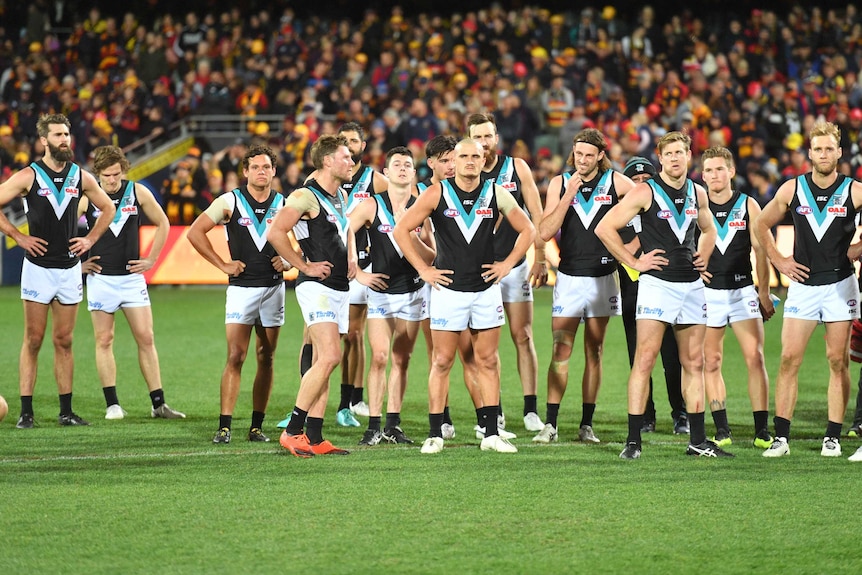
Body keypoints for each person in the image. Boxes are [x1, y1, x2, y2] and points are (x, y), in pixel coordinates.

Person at [393, 137, 536, 454]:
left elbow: (528, 230)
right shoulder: (437, 193)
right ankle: (435, 434)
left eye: (476, 155)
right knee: (442, 361)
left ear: (484, 159)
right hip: (448, 291)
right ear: (453, 161)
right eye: (464, 156)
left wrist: (507, 265)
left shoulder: (496, 192)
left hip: (486, 290)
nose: (470, 161)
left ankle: (490, 435)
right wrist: (424, 270)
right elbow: (401, 229)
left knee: (487, 361)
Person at [596, 131, 729, 459]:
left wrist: (705, 253)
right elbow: (604, 227)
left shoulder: (699, 192)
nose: (674, 158)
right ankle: (633, 441)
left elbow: (710, 229)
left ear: (688, 155)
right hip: (657, 285)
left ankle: (697, 441)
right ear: (660, 159)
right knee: (644, 360)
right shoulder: (645, 191)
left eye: (679, 152)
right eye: (668, 153)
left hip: (692, 286)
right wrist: (634, 261)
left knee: (693, 363)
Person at [752, 121, 862, 459]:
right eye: (818, 149)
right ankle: (781, 438)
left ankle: (833, 436)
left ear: (839, 152)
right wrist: (778, 259)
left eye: (830, 148)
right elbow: (760, 224)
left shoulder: (855, 189)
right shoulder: (791, 189)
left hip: (842, 284)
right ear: (809, 154)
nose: (824, 154)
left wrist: (860, 247)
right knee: (788, 359)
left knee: (837, 361)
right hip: (802, 287)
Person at [0, 113, 115, 428]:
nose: (65, 140)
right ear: (43, 141)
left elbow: (109, 208)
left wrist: (90, 238)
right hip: (38, 268)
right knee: (34, 339)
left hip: (68, 270)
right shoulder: (29, 176)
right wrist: (18, 236)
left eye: (67, 134)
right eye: (58, 135)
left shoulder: (81, 177)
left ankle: (66, 412)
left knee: (64, 340)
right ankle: (26, 412)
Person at [534, 128, 634, 445]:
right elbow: (545, 231)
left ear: (601, 156)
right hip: (569, 278)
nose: (582, 160)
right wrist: (567, 197)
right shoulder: (560, 183)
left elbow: (646, 212)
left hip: (604, 279)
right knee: (560, 349)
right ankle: (550, 424)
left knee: (595, 351)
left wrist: (631, 253)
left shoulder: (618, 183)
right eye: (578, 154)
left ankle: (586, 425)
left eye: (589, 155)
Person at [187, 143, 288, 444]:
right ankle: (225, 425)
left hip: (273, 288)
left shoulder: (286, 203)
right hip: (242, 289)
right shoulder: (229, 201)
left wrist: (291, 258)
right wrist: (222, 264)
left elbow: (307, 239)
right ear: (245, 171)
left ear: (274, 171)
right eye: (255, 167)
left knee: (266, 356)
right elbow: (195, 232)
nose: (261, 171)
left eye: (267, 167)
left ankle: (256, 427)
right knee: (236, 355)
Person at [79, 145, 185, 420]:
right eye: (106, 175)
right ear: (97, 174)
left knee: (146, 338)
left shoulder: (137, 192)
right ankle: (112, 404)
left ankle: (158, 404)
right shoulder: (88, 196)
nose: (112, 180)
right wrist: (78, 265)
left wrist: (151, 260)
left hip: (131, 280)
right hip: (101, 279)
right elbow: (63, 228)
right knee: (104, 339)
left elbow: (163, 222)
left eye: (116, 174)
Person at [269, 134, 355, 458]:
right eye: (345, 157)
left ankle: (316, 438)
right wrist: (302, 264)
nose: (351, 163)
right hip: (314, 285)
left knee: (324, 361)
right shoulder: (305, 196)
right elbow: (276, 232)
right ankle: (293, 431)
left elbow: (344, 230)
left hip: (339, 286)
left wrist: (353, 258)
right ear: (327, 161)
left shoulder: (341, 196)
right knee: (331, 355)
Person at [466, 112, 548, 433]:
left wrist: (540, 254)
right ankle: (494, 410)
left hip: (513, 266)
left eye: (488, 136)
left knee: (522, 335)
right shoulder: (466, 172)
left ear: (496, 138)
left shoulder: (516, 168)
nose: (484, 143)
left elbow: (537, 213)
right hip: (479, 272)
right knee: (484, 345)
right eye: (478, 137)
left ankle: (530, 409)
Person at [350, 146, 434, 445]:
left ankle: (393, 425)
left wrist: (411, 237)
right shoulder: (372, 204)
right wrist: (357, 270)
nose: (401, 168)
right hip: (382, 293)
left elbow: (432, 254)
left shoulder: (422, 206)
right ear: (385, 173)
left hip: (412, 291)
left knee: (402, 359)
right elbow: (346, 229)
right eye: (395, 164)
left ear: (414, 173)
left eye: (407, 165)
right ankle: (373, 425)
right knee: (380, 357)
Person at [699, 146, 774, 448]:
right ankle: (722, 429)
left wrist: (764, 291)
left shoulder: (748, 205)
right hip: (707, 293)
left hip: (743, 290)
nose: (715, 175)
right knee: (711, 360)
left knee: (754, 358)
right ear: (702, 175)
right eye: (709, 170)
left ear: (731, 171)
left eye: (720, 169)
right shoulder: (694, 205)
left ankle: (761, 430)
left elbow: (761, 251)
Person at [619, 156, 687, 435]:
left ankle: (680, 414)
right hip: (633, 296)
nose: (640, 184)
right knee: (639, 359)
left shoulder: (665, 213)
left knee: (674, 359)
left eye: (645, 179)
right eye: (634, 180)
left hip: (665, 291)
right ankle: (645, 416)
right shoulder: (619, 215)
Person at [336, 122, 389, 427]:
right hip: (329, 265)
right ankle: (307, 403)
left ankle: (351, 400)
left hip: (363, 265)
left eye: (353, 140)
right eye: (343, 140)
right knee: (319, 336)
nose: (348, 144)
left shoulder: (375, 180)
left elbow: (397, 210)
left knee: (354, 335)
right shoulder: (322, 177)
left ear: (362, 147)